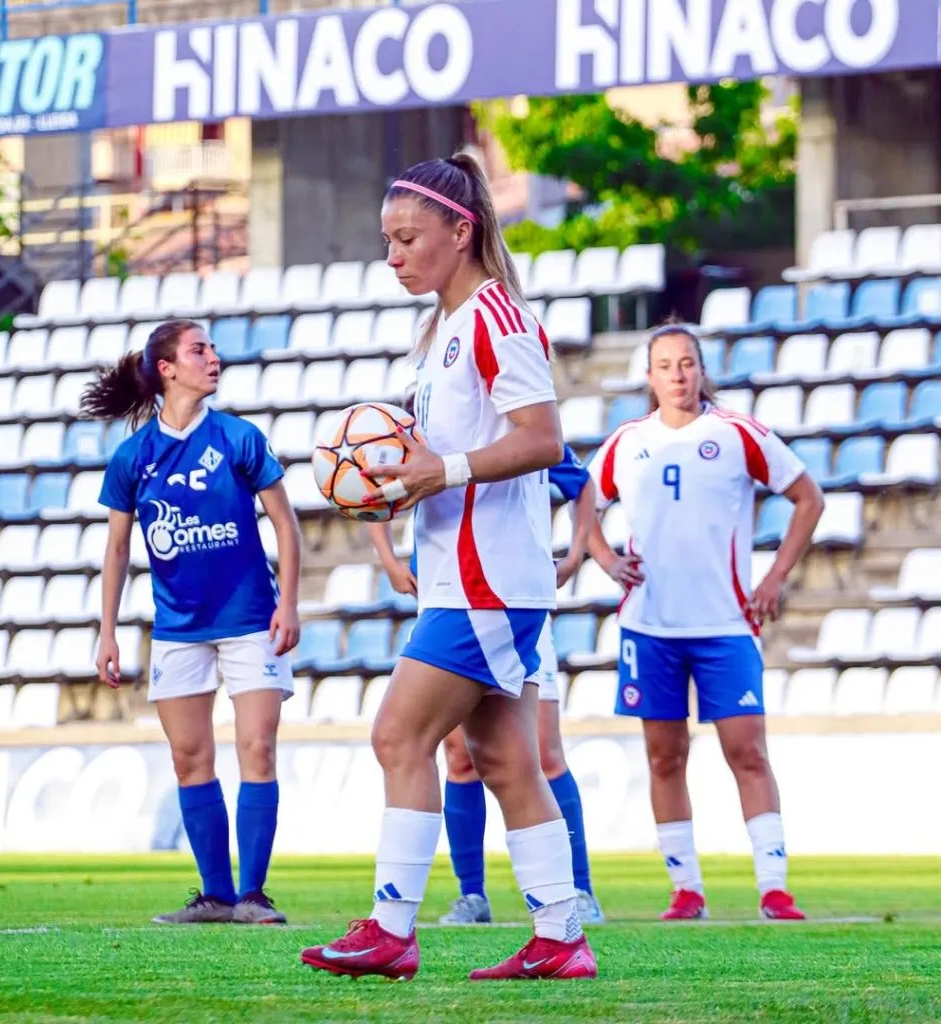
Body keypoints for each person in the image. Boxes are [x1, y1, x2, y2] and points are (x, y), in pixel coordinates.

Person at [300, 154, 597, 982]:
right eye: (387, 241)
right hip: (471, 576)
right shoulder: (442, 328)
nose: (392, 255)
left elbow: (543, 440)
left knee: (398, 733)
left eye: (407, 238)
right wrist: (400, 487)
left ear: (460, 231)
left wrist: (445, 470)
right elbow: (445, 456)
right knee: (508, 763)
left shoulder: (498, 317)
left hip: (487, 581)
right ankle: (562, 938)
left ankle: (392, 929)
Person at [586, 322, 825, 921]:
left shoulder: (737, 433)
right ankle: (685, 889)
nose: (677, 374)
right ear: (649, 376)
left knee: (747, 753)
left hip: (725, 623)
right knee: (665, 758)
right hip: (649, 625)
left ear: (701, 369)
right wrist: (607, 559)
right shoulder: (627, 441)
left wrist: (773, 578)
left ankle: (774, 886)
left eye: (687, 362)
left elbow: (809, 498)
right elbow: (582, 503)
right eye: (665, 365)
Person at [81, 319, 302, 926]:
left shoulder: (239, 438)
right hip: (177, 628)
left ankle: (254, 896)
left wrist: (290, 602)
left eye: (212, 348)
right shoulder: (131, 458)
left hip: (252, 618)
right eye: (199, 349)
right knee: (188, 758)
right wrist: (107, 630)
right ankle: (215, 895)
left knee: (257, 746)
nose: (214, 357)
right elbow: (119, 551)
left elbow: (286, 523)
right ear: (168, 369)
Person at [368, 442, 604, 926]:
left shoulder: (493, 426)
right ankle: (488, 900)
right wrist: (390, 559)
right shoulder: (422, 430)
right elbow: (376, 492)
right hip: (449, 596)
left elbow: (577, 479)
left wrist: (577, 553)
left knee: (536, 752)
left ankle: (577, 893)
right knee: (476, 758)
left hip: (493, 595)